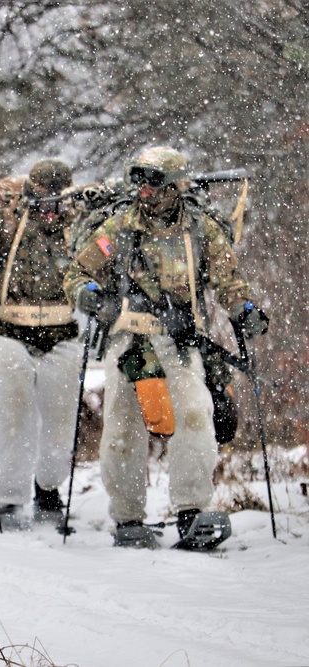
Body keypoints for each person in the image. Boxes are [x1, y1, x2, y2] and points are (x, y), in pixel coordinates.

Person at [65, 146, 267, 549]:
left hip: (181, 339)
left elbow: (230, 280)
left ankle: (192, 512)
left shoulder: (200, 229)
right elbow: (78, 273)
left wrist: (244, 310)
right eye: (139, 179)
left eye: (154, 181)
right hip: (128, 338)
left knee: (195, 413)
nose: (145, 189)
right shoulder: (119, 227)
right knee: (123, 425)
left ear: (176, 185)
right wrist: (90, 296)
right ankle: (128, 518)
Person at [0, 160, 83, 530]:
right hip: (6, 330)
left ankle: (48, 489)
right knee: (13, 415)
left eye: (56, 202)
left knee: (60, 422)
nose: (49, 210)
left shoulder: (79, 226)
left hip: (61, 333)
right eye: (42, 202)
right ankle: (10, 499)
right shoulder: (6, 222)